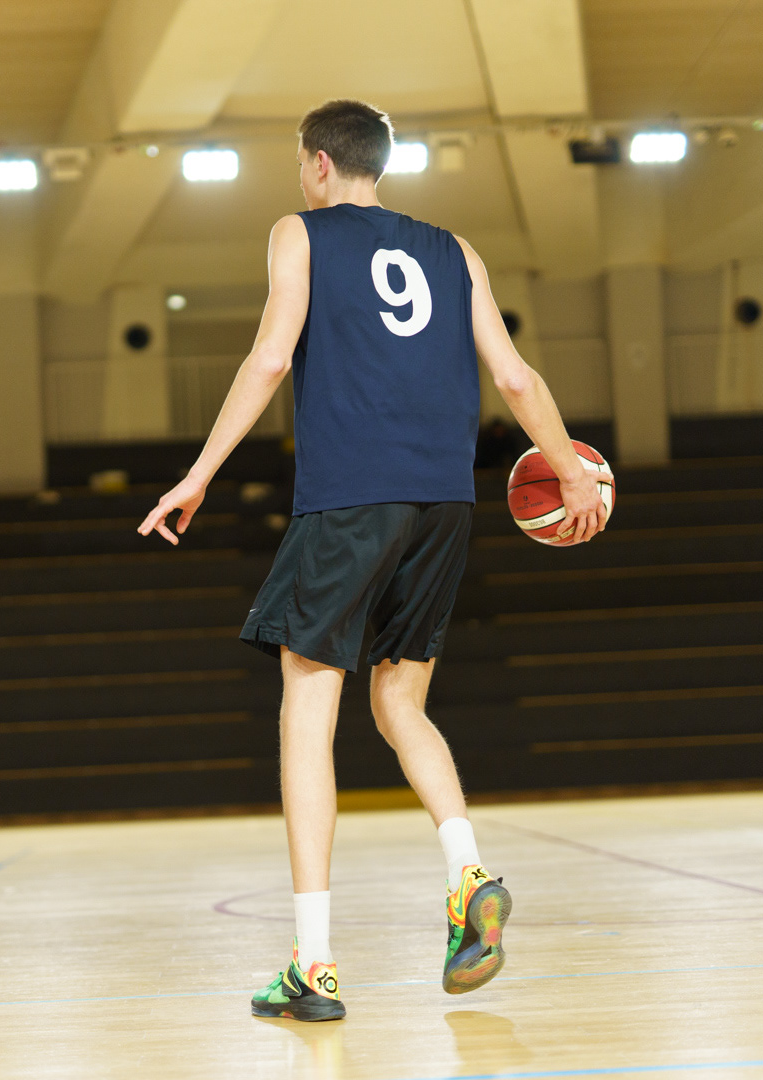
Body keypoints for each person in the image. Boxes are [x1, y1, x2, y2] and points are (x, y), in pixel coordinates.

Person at [137, 99, 608, 1022]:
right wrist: (570, 470)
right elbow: (515, 377)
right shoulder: (455, 250)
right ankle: (467, 874)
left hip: (350, 498)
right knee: (400, 704)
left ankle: (313, 967)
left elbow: (271, 360)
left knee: (307, 713)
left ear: (318, 163)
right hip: (444, 503)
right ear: (378, 164)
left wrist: (198, 474)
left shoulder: (298, 233)